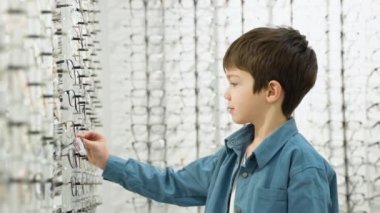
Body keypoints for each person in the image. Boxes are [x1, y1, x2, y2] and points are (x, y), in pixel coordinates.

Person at [78, 26, 339, 213]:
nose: (226, 94)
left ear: (271, 91)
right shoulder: (229, 157)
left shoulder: (305, 167)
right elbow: (172, 184)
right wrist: (107, 161)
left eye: (235, 83)